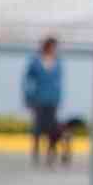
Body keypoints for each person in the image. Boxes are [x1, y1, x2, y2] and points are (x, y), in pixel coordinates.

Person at [23, 36, 63, 167]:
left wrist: (59, 98)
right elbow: (28, 81)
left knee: (52, 128)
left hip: (52, 99)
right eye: (52, 46)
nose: (54, 50)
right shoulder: (35, 61)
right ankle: (35, 152)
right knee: (37, 127)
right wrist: (28, 98)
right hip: (38, 99)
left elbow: (59, 82)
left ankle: (51, 152)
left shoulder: (58, 62)